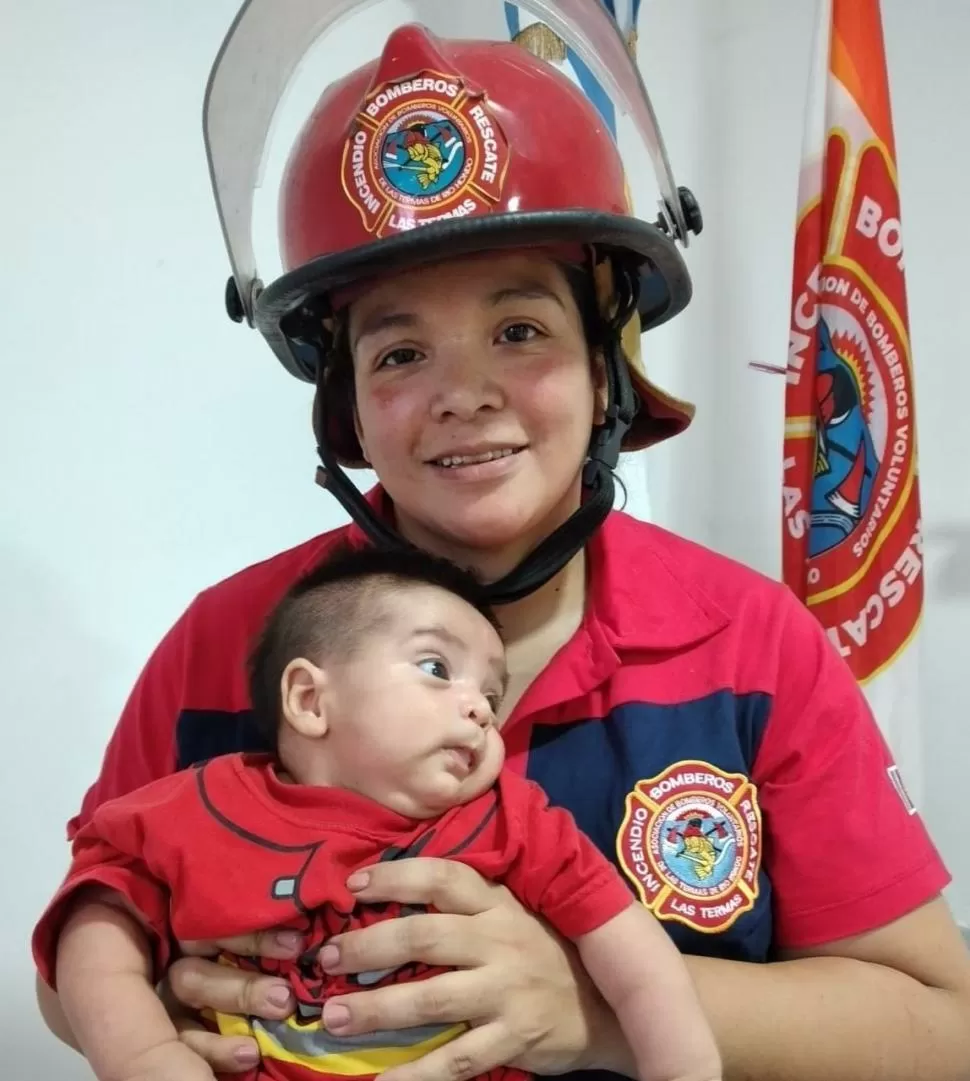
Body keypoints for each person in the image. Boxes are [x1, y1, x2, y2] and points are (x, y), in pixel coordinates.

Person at [35, 6, 970, 1081]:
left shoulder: (750, 645)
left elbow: (937, 1031)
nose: (463, 395)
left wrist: (582, 1003)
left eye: (519, 330)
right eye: (398, 353)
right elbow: (79, 952)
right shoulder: (224, 643)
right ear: (347, 406)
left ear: (605, 370)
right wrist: (146, 1007)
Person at [33, 545, 721, 1081]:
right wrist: (147, 1052)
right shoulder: (196, 808)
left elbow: (631, 950)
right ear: (309, 699)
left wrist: (683, 1066)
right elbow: (96, 921)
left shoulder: (513, 818)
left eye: (491, 690)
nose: (479, 706)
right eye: (434, 667)